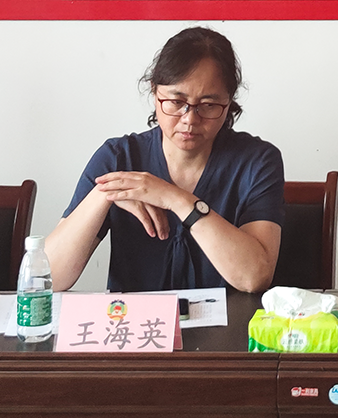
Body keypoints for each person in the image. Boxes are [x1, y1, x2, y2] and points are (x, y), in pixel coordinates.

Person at [44, 27, 284, 292]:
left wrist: (176, 199)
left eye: (208, 105)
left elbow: (254, 278)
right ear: (154, 92)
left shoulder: (257, 162)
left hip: (227, 319)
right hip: (132, 317)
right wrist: (105, 194)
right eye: (176, 102)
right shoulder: (118, 158)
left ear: (229, 102)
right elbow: (50, 278)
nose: (189, 119)